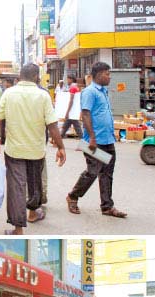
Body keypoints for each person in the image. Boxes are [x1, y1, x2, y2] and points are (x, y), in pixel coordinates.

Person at [0, 63, 66, 235]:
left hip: (14, 150)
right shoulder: (43, 96)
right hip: (36, 150)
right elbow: (52, 125)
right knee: (35, 184)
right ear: (36, 77)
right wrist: (61, 147)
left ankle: (18, 229)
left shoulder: (9, 94)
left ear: (20, 76)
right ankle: (32, 213)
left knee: (16, 188)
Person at [66, 62, 128, 219]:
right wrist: (92, 137)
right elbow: (85, 114)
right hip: (94, 141)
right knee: (92, 172)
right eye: (107, 73)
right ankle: (73, 196)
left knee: (107, 173)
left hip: (107, 140)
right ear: (99, 74)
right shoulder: (90, 92)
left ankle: (107, 206)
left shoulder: (103, 91)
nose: (110, 76)